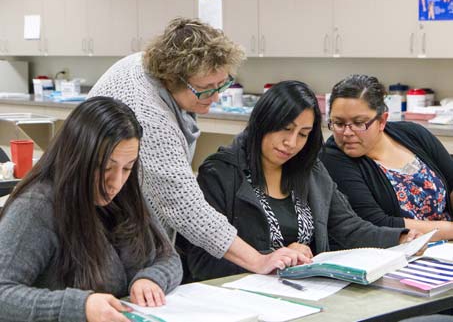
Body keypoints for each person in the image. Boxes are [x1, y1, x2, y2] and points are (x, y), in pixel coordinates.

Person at [88, 17, 306, 275]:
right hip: (103, 221)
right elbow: (186, 208)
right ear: (171, 78)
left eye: (222, 84)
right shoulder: (150, 118)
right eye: (205, 89)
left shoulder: (147, 62)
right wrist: (258, 261)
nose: (216, 97)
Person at [178, 80, 415, 282]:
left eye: (302, 134)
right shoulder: (221, 172)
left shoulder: (311, 170)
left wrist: (399, 238)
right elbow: (202, 261)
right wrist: (274, 257)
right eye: (285, 129)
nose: (291, 143)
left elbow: (349, 229)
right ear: (263, 123)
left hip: (307, 292)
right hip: (242, 297)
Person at [0, 97, 182, 322]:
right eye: (105, 167)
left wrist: (152, 278)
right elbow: (2, 295)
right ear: (77, 158)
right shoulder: (36, 207)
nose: (116, 182)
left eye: (127, 168)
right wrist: (81, 306)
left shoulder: (127, 193)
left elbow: (168, 256)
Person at [321, 74, 453, 241]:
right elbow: (378, 223)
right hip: (407, 250)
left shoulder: (413, 133)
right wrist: (450, 230)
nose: (347, 133)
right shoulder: (334, 159)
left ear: (382, 120)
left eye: (359, 123)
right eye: (338, 123)